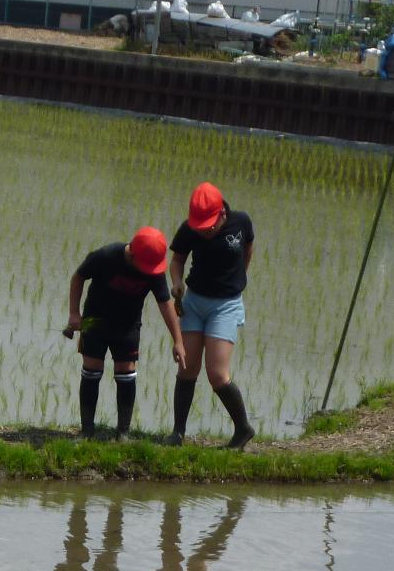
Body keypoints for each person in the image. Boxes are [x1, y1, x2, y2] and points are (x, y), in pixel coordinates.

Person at [66, 227, 181, 440]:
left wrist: (178, 341)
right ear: (132, 254)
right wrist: (74, 313)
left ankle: (123, 433)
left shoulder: (153, 270)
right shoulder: (105, 256)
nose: (149, 271)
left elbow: (165, 303)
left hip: (128, 326)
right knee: (91, 371)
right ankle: (87, 431)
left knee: (126, 373)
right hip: (96, 321)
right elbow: (78, 277)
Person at [168, 182, 257, 450]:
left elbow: (247, 251)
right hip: (194, 302)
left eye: (209, 225)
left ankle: (243, 429)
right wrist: (176, 282)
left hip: (226, 305)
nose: (204, 231)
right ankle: (178, 433)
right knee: (187, 368)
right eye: (200, 226)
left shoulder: (241, 222)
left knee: (217, 374)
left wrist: (238, 279)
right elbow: (177, 260)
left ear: (222, 214)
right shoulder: (189, 229)